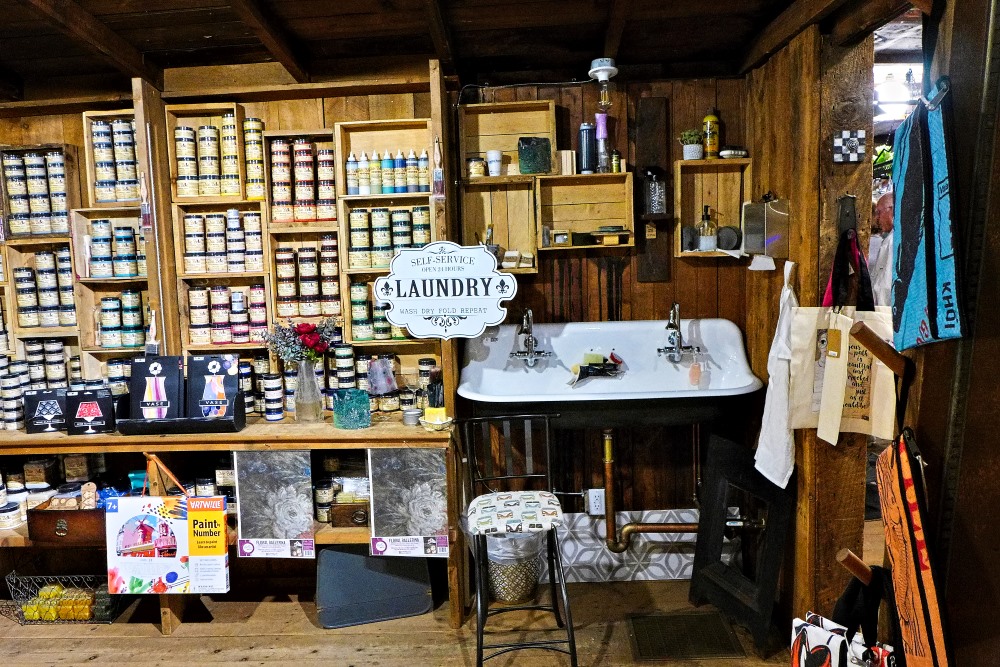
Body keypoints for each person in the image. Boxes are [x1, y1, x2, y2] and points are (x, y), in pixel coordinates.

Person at [870, 192, 894, 307]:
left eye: (879, 212)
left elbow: (885, 286)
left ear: (892, 211)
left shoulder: (895, 240)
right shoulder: (887, 240)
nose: (877, 218)